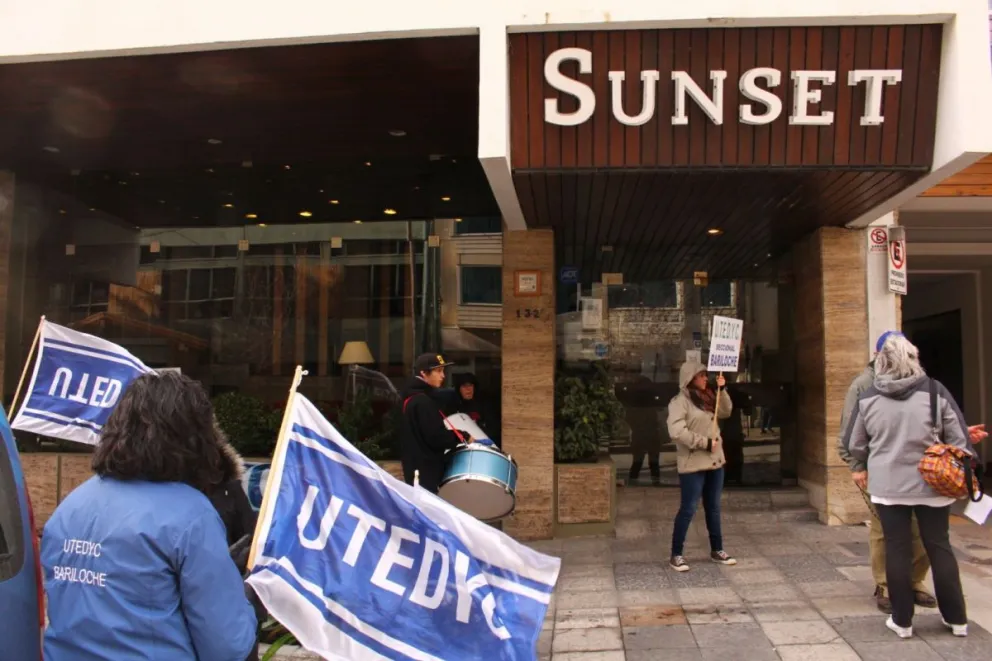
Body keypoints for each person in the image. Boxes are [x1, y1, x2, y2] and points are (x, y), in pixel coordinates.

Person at [40, 372, 258, 661]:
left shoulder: (71, 506)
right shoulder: (191, 514)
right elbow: (228, 647)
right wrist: (249, 598)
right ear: (195, 437)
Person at [837, 330, 988, 613]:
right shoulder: (864, 387)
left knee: (918, 534)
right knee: (890, 533)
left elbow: (923, 427)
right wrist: (857, 466)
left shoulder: (925, 388)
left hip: (915, 476)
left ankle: (913, 584)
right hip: (883, 474)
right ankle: (886, 586)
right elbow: (850, 433)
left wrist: (959, 435)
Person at [667, 360, 736, 572]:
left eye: (706, 374)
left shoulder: (709, 398)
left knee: (713, 507)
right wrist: (704, 443)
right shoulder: (679, 402)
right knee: (688, 509)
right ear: (690, 378)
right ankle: (676, 554)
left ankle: (717, 549)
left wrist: (722, 390)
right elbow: (676, 431)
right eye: (702, 375)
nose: (706, 378)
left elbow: (725, 412)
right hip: (693, 463)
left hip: (715, 461)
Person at [400, 353, 467, 493]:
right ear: (424, 373)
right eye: (438, 371)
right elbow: (436, 437)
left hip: (416, 470)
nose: (443, 376)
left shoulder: (412, 398)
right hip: (426, 473)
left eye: (443, 371)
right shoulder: (422, 401)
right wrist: (463, 437)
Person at [453, 372, 501, 447]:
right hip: (462, 446)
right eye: (464, 386)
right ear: (459, 389)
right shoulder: (454, 407)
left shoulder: (484, 404)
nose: (468, 389)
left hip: (484, 446)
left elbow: (494, 427)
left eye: (470, 385)